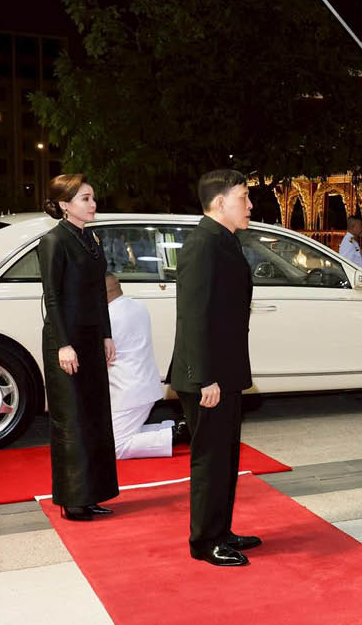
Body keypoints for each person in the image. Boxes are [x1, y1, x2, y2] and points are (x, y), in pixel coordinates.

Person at [169, 169, 259, 567]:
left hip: (224, 370)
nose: (250, 204)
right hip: (207, 375)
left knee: (225, 456)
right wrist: (204, 376)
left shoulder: (224, 241)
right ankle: (205, 542)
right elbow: (193, 315)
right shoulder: (203, 245)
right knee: (210, 458)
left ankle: (221, 530)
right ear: (220, 202)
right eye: (244, 196)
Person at [38, 174, 119, 521]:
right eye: (85, 198)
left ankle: (91, 494)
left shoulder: (91, 239)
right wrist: (63, 345)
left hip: (90, 337)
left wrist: (106, 334)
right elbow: (52, 297)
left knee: (95, 418)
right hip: (66, 341)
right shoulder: (53, 241)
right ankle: (72, 501)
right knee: (72, 421)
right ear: (64, 205)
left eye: (93, 197)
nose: (93, 204)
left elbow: (99, 293)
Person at [105, 273, 187, 460]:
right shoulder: (138, 306)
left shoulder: (108, 319)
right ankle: (175, 427)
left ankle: (177, 434)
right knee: (113, 432)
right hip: (145, 385)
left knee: (115, 446)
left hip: (127, 392)